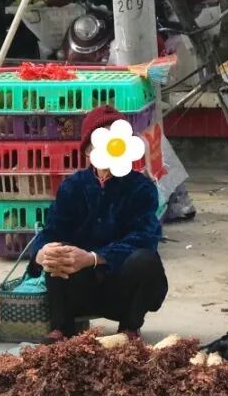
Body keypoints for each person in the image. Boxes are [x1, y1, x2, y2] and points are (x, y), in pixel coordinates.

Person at [30, 105, 167, 343]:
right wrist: (41, 253)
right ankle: (62, 327)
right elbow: (52, 229)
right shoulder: (73, 186)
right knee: (56, 253)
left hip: (121, 286)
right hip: (81, 285)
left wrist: (94, 257)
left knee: (145, 260)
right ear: (88, 150)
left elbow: (144, 238)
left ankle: (130, 327)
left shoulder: (141, 188)